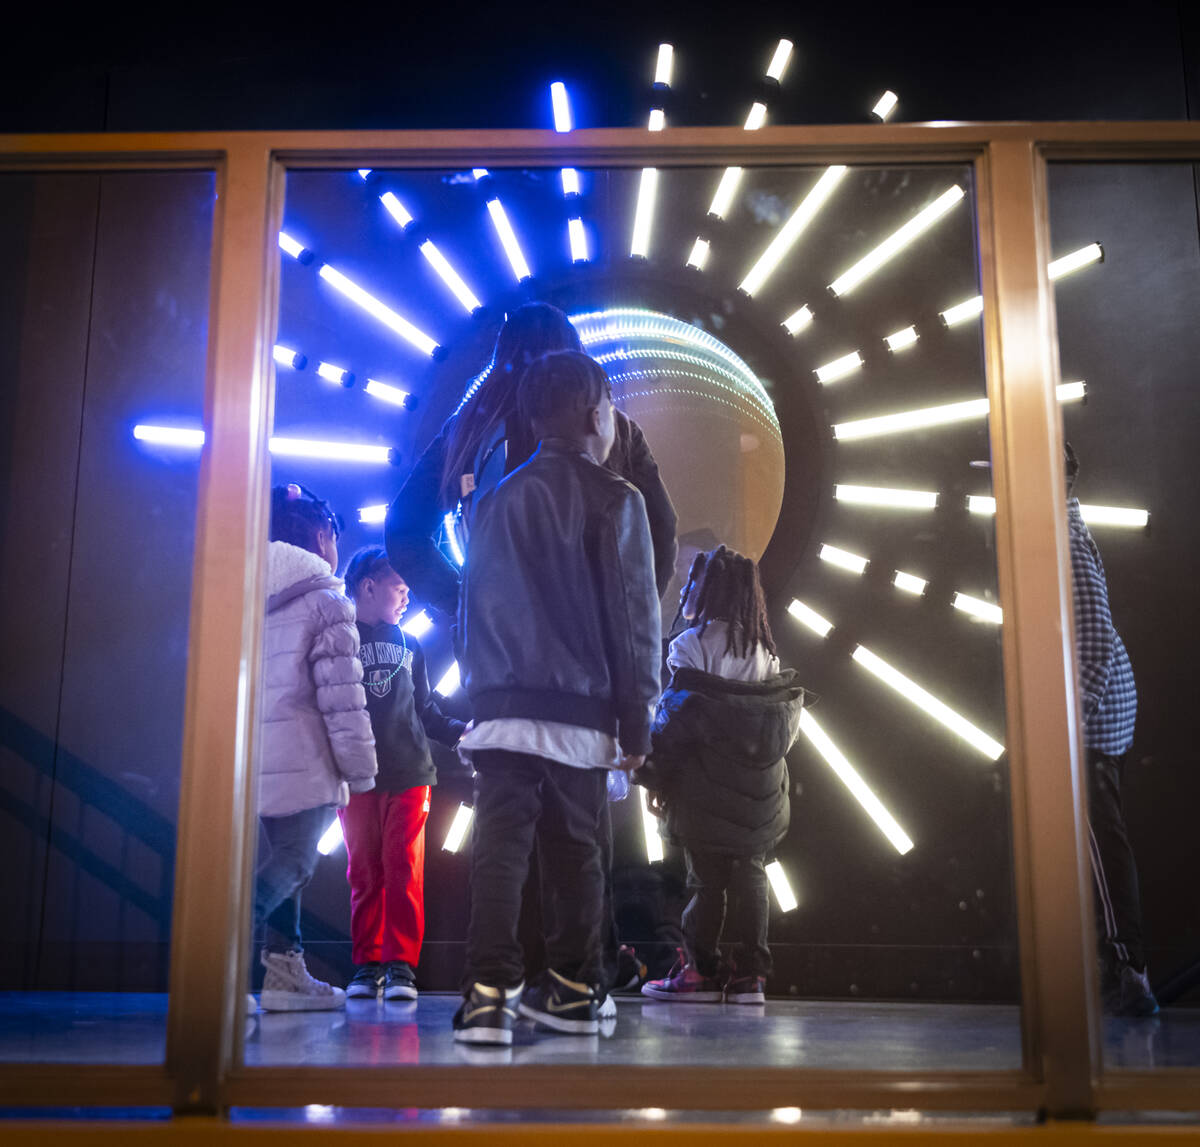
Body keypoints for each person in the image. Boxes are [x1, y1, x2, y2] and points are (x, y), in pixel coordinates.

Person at [385, 301, 674, 994]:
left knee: (503, 827)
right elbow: (657, 537)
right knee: (582, 830)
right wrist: (619, 618)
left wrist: (467, 600)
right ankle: (587, 974)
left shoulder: (470, 425)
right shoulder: (613, 429)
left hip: (495, 663)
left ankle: (491, 986)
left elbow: (404, 532)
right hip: (584, 666)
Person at [451, 350, 662, 1046]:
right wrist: (639, 720)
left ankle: (487, 994)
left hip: (499, 707)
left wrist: (479, 690)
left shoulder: (495, 498)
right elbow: (634, 620)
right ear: (594, 412)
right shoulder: (616, 498)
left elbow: (469, 609)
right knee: (578, 853)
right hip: (578, 711)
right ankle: (572, 987)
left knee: (500, 849)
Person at [636, 546, 805, 1005]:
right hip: (760, 791)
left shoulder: (690, 646)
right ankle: (752, 977)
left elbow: (675, 726)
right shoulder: (763, 651)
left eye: (693, 583)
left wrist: (654, 780)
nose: (686, 590)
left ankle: (699, 973)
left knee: (705, 881)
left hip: (704, 788)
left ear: (706, 591)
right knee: (752, 874)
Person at [254, 483, 378, 1012]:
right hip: (306, 758)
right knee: (298, 862)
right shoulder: (328, 599)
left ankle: (284, 972)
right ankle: (214, 941)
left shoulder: (247, 592)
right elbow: (343, 701)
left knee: (286, 862)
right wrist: (361, 770)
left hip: (254, 756)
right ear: (323, 535)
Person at [339, 548, 467, 1002]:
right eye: (399, 586)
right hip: (355, 775)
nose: (406, 595)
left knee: (403, 868)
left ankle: (400, 967)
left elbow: (427, 711)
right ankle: (366, 964)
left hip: (411, 772)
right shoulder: (337, 639)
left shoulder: (410, 645)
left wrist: (460, 732)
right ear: (368, 586)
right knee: (364, 871)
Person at [1066, 443, 1158, 1018]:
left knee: (1101, 846)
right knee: (1096, 847)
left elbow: (1095, 644)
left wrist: (1065, 722)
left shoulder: (1065, 543)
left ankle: (1129, 972)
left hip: (1095, 723)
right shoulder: (1062, 534)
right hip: (1102, 714)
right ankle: (1118, 970)